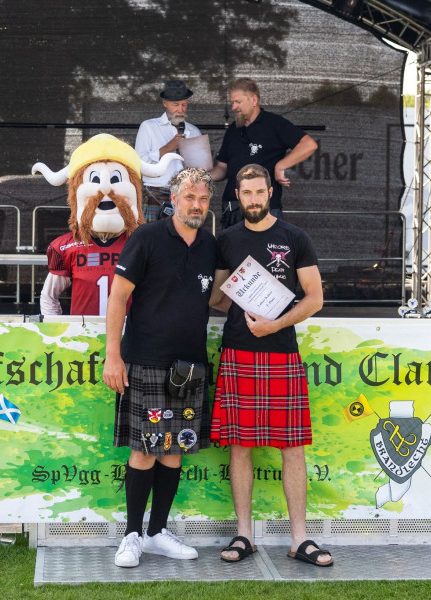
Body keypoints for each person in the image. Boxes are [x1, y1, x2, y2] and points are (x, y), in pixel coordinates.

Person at [208, 164, 332, 567]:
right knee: (240, 446)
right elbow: (217, 298)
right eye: (247, 193)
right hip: (238, 351)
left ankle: (300, 539)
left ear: (270, 193)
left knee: (292, 447)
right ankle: (244, 535)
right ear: (238, 196)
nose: (254, 199)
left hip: (281, 351)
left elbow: (314, 298)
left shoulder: (294, 237)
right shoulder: (226, 239)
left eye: (260, 192)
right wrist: (243, 302)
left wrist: (274, 323)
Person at [103, 167, 216, 568]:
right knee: (144, 451)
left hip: (190, 366)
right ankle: (132, 535)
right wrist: (113, 354)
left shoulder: (210, 245)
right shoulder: (147, 238)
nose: (197, 205)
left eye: (203, 199)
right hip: (146, 360)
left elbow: (218, 295)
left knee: (175, 450)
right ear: (174, 199)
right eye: (190, 198)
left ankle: (157, 533)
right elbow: (118, 298)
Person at [33, 133, 179, 315]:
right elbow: (49, 297)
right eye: (94, 179)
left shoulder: (144, 245)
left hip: (129, 332)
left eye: (116, 179)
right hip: (83, 333)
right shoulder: (67, 246)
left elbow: (162, 294)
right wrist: (59, 329)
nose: (104, 188)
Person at [209, 78, 318, 229]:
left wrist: (281, 165)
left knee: (267, 245)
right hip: (233, 207)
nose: (233, 107)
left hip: (264, 208)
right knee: (230, 245)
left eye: (238, 102)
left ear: (254, 100)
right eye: (232, 102)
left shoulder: (274, 124)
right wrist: (200, 176)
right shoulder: (233, 129)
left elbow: (309, 144)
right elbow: (222, 168)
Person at [135, 80, 202, 223]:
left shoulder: (193, 131)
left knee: (183, 236)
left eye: (184, 105)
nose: (180, 110)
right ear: (165, 103)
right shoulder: (148, 127)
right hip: (155, 193)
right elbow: (138, 163)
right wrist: (167, 148)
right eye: (175, 105)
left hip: (185, 193)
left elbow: (201, 170)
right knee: (151, 236)